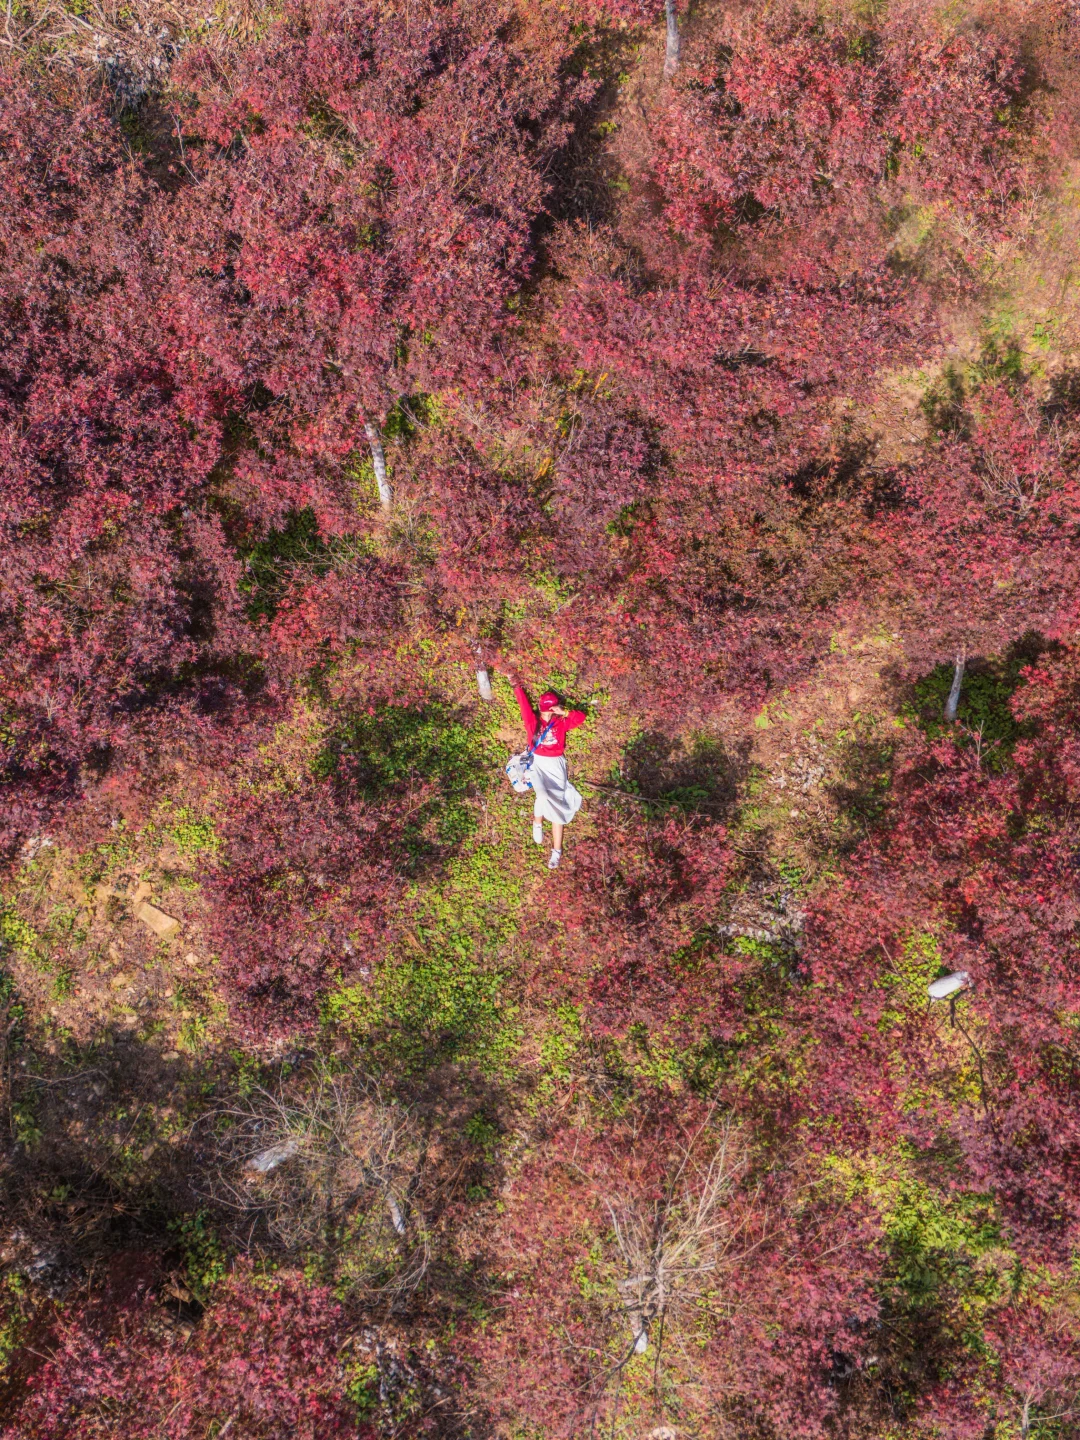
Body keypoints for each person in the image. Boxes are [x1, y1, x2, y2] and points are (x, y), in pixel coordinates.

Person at [505, 670, 585, 868]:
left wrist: (564, 712)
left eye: (551, 709)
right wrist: (516, 685)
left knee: (558, 809)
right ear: (540, 709)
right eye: (545, 710)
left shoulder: (561, 722)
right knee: (541, 797)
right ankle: (537, 823)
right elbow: (524, 706)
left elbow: (581, 717)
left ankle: (556, 852)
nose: (547, 713)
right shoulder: (534, 723)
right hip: (538, 764)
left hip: (557, 765)